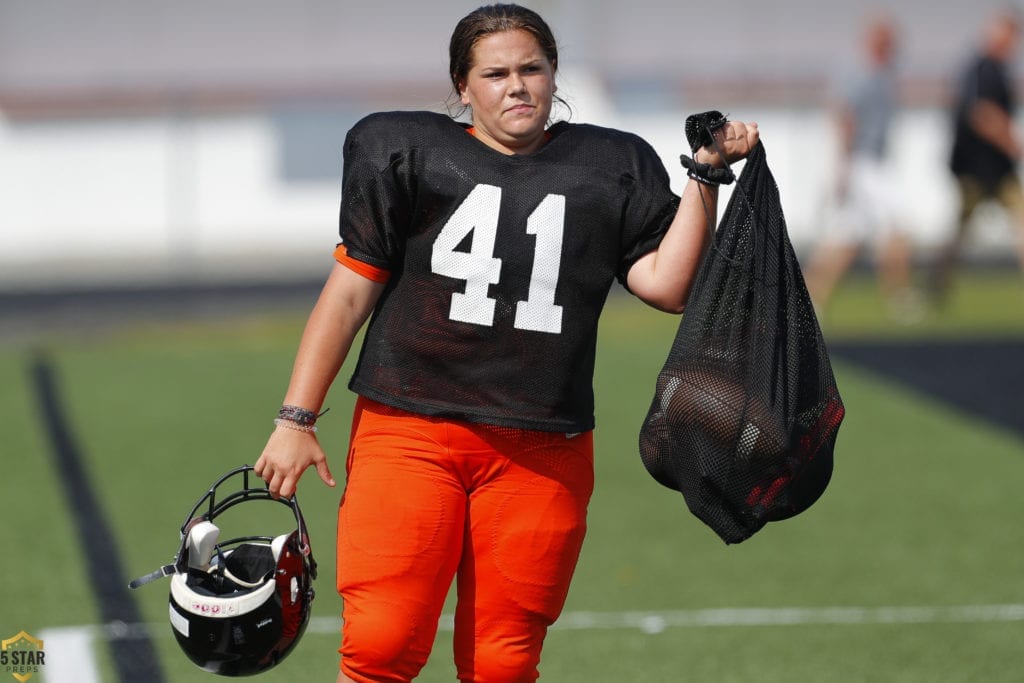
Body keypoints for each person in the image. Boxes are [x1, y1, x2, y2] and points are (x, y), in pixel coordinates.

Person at [254, 5, 758, 682]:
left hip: (540, 445)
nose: (516, 86)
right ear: (463, 86)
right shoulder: (404, 151)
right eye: (495, 73)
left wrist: (705, 174)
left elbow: (667, 284)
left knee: (503, 661)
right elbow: (348, 294)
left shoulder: (610, 163)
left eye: (532, 68)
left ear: (554, 74)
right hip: (412, 429)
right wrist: (296, 417)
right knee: (380, 643)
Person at [803, 15, 921, 321]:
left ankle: (809, 295)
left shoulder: (885, 73)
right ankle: (899, 295)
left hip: (872, 162)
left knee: (846, 237)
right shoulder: (860, 73)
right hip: (864, 164)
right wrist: (844, 166)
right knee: (897, 226)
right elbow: (844, 118)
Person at [931, 9, 1024, 303]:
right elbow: (982, 114)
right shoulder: (983, 69)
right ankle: (938, 282)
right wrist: (1011, 142)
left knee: (1021, 219)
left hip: (998, 169)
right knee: (960, 231)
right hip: (976, 168)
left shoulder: (995, 69)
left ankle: (938, 281)